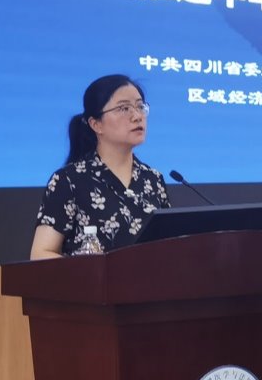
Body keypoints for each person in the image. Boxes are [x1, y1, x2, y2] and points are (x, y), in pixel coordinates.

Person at [30, 74, 170, 259]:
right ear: (96, 124)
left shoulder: (153, 180)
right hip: (90, 278)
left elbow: (169, 246)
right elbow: (40, 253)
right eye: (124, 108)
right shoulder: (69, 180)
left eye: (140, 107)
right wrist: (91, 271)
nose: (137, 116)